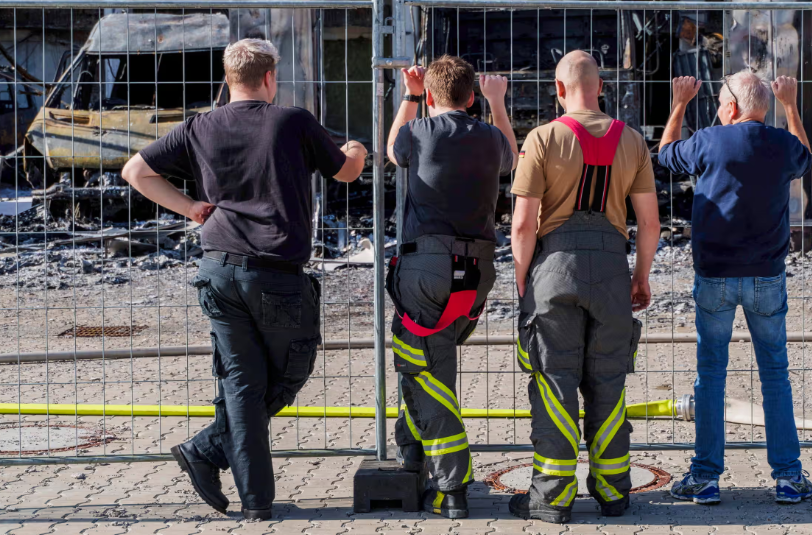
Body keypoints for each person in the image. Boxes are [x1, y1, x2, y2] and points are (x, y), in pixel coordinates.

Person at [121, 38, 367, 520]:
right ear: (271, 78)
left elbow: (136, 171)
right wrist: (355, 146)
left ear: (228, 78)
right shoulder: (291, 121)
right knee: (289, 373)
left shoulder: (199, 126)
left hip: (217, 267)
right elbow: (347, 172)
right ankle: (209, 448)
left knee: (241, 384)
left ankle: (250, 497)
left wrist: (191, 207)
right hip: (274, 272)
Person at [507, 50, 660, 523]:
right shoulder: (632, 141)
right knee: (609, 383)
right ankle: (614, 492)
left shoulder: (542, 138)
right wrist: (640, 277)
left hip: (554, 270)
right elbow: (650, 223)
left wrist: (523, 284)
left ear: (558, 89)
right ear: (601, 87)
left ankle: (551, 498)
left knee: (555, 384)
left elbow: (523, 226)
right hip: (613, 271)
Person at [656, 71, 812, 505]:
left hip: (715, 276)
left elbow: (665, 154)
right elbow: (805, 155)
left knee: (711, 376)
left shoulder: (708, 140)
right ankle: (788, 476)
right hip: (767, 274)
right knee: (775, 375)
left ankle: (705, 476)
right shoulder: (781, 145)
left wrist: (680, 102)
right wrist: (791, 105)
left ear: (730, 107)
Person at [384, 55, 517, 519]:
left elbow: (390, 150)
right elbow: (511, 159)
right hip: (477, 270)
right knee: (428, 362)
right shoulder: (489, 137)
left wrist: (410, 95)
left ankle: (451, 486)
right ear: (474, 97)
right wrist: (499, 104)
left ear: (433, 97)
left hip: (428, 267)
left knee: (425, 370)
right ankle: (412, 452)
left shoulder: (419, 132)